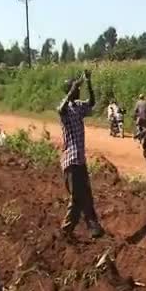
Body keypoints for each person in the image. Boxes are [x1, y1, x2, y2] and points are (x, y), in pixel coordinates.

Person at [58, 70, 104, 239]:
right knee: (77, 197)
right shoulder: (65, 110)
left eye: (77, 89)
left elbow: (92, 102)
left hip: (80, 160)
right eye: (75, 89)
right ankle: (66, 230)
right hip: (71, 161)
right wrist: (73, 89)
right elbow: (60, 108)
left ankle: (94, 229)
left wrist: (89, 81)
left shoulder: (78, 107)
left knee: (87, 194)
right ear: (69, 91)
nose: (78, 91)